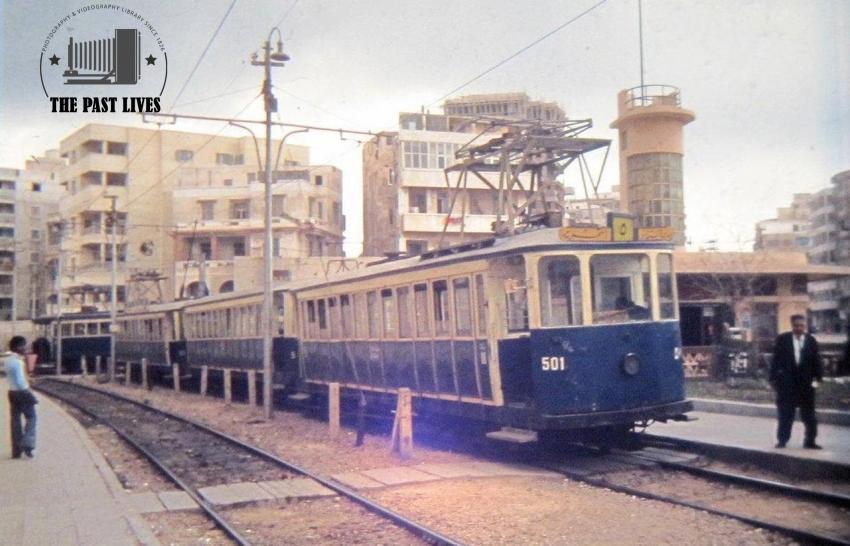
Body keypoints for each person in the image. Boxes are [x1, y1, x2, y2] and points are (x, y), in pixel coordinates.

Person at [769, 315, 823, 449]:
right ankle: (782, 440)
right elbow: (775, 360)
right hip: (787, 385)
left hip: (806, 385)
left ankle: (810, 441)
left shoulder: (811, 341)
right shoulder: (783, 339)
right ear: (792, 325)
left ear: (805, 326)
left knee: (809, 415)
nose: (799, 328)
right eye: (796, 325)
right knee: (785, 414)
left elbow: (817, 361)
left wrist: (818, 378)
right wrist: (773, 379)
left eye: (801, 325)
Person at [4, 336, 38, 458]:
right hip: (22, 392)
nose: (26, 347)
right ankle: (28, 445)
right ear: (19, 347)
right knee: (32, 417)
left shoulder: (7, 361)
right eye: (24, 345)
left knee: (15, 421)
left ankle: (16, 450)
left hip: (12, 392)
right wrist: (28, 390)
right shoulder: (18, 362)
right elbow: (19, 381)